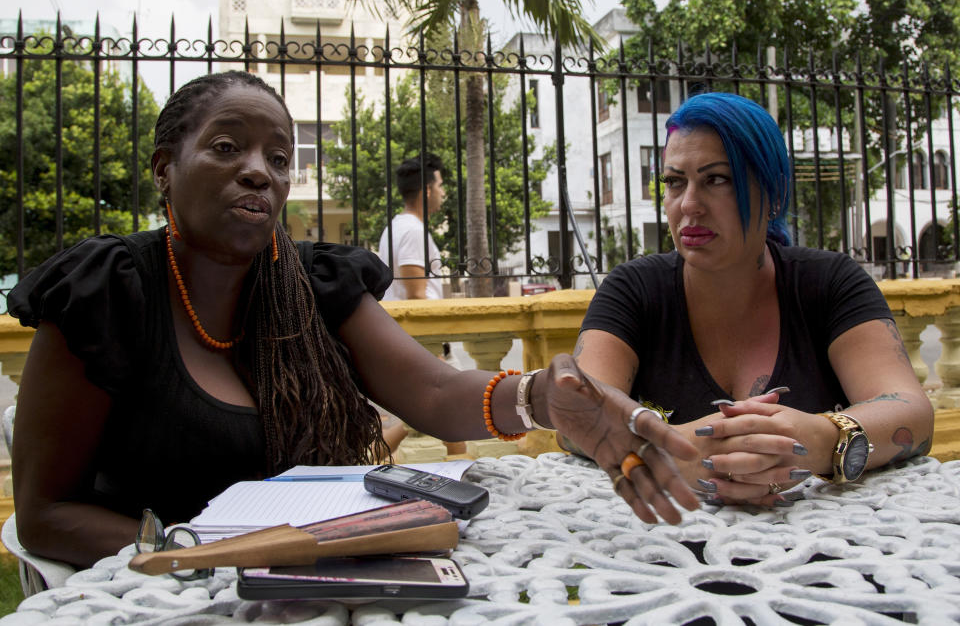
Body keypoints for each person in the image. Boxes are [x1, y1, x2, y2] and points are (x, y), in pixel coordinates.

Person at [8, 70, 699, 569]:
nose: (259, 173)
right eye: (226, 148)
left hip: (303, 582)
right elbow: (46, 514)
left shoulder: (311, 282)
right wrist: (206, 554)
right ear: (165, 168)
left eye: (278, 159)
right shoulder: (107, 293)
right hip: (162, 592)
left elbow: (433, 392)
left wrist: (541, 396)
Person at [574, 92, 934, 506]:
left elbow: (911, 412)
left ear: (774, 194)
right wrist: (670, 450)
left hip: (826, 542)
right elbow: (576, 413)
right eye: (675, 182)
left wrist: (818, 439)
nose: (689, 205)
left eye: (717, 179)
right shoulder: (634, 290)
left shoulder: (829, 282)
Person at [378, 153, 445, 301]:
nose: (443, 193)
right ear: (427, 190)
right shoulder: (414, 231)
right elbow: (416, 295)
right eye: (439, 186)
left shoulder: (394, 227)